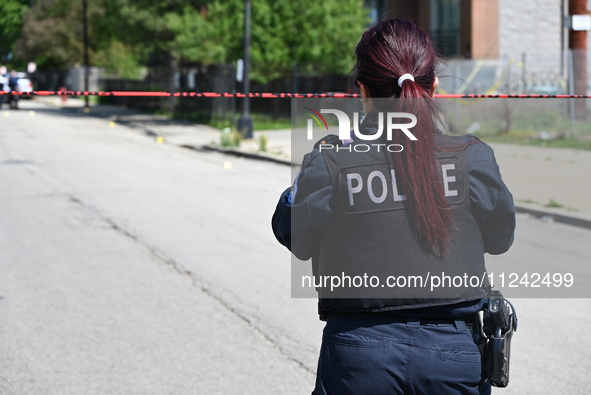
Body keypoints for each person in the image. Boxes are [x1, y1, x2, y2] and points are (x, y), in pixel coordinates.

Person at [272, 18, 515, 395]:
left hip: (359, 354)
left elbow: (295, 236)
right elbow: (501, 238)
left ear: (362, 90)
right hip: (453, 354)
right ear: (433, 87)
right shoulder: (473, 158)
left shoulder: (331, 161)